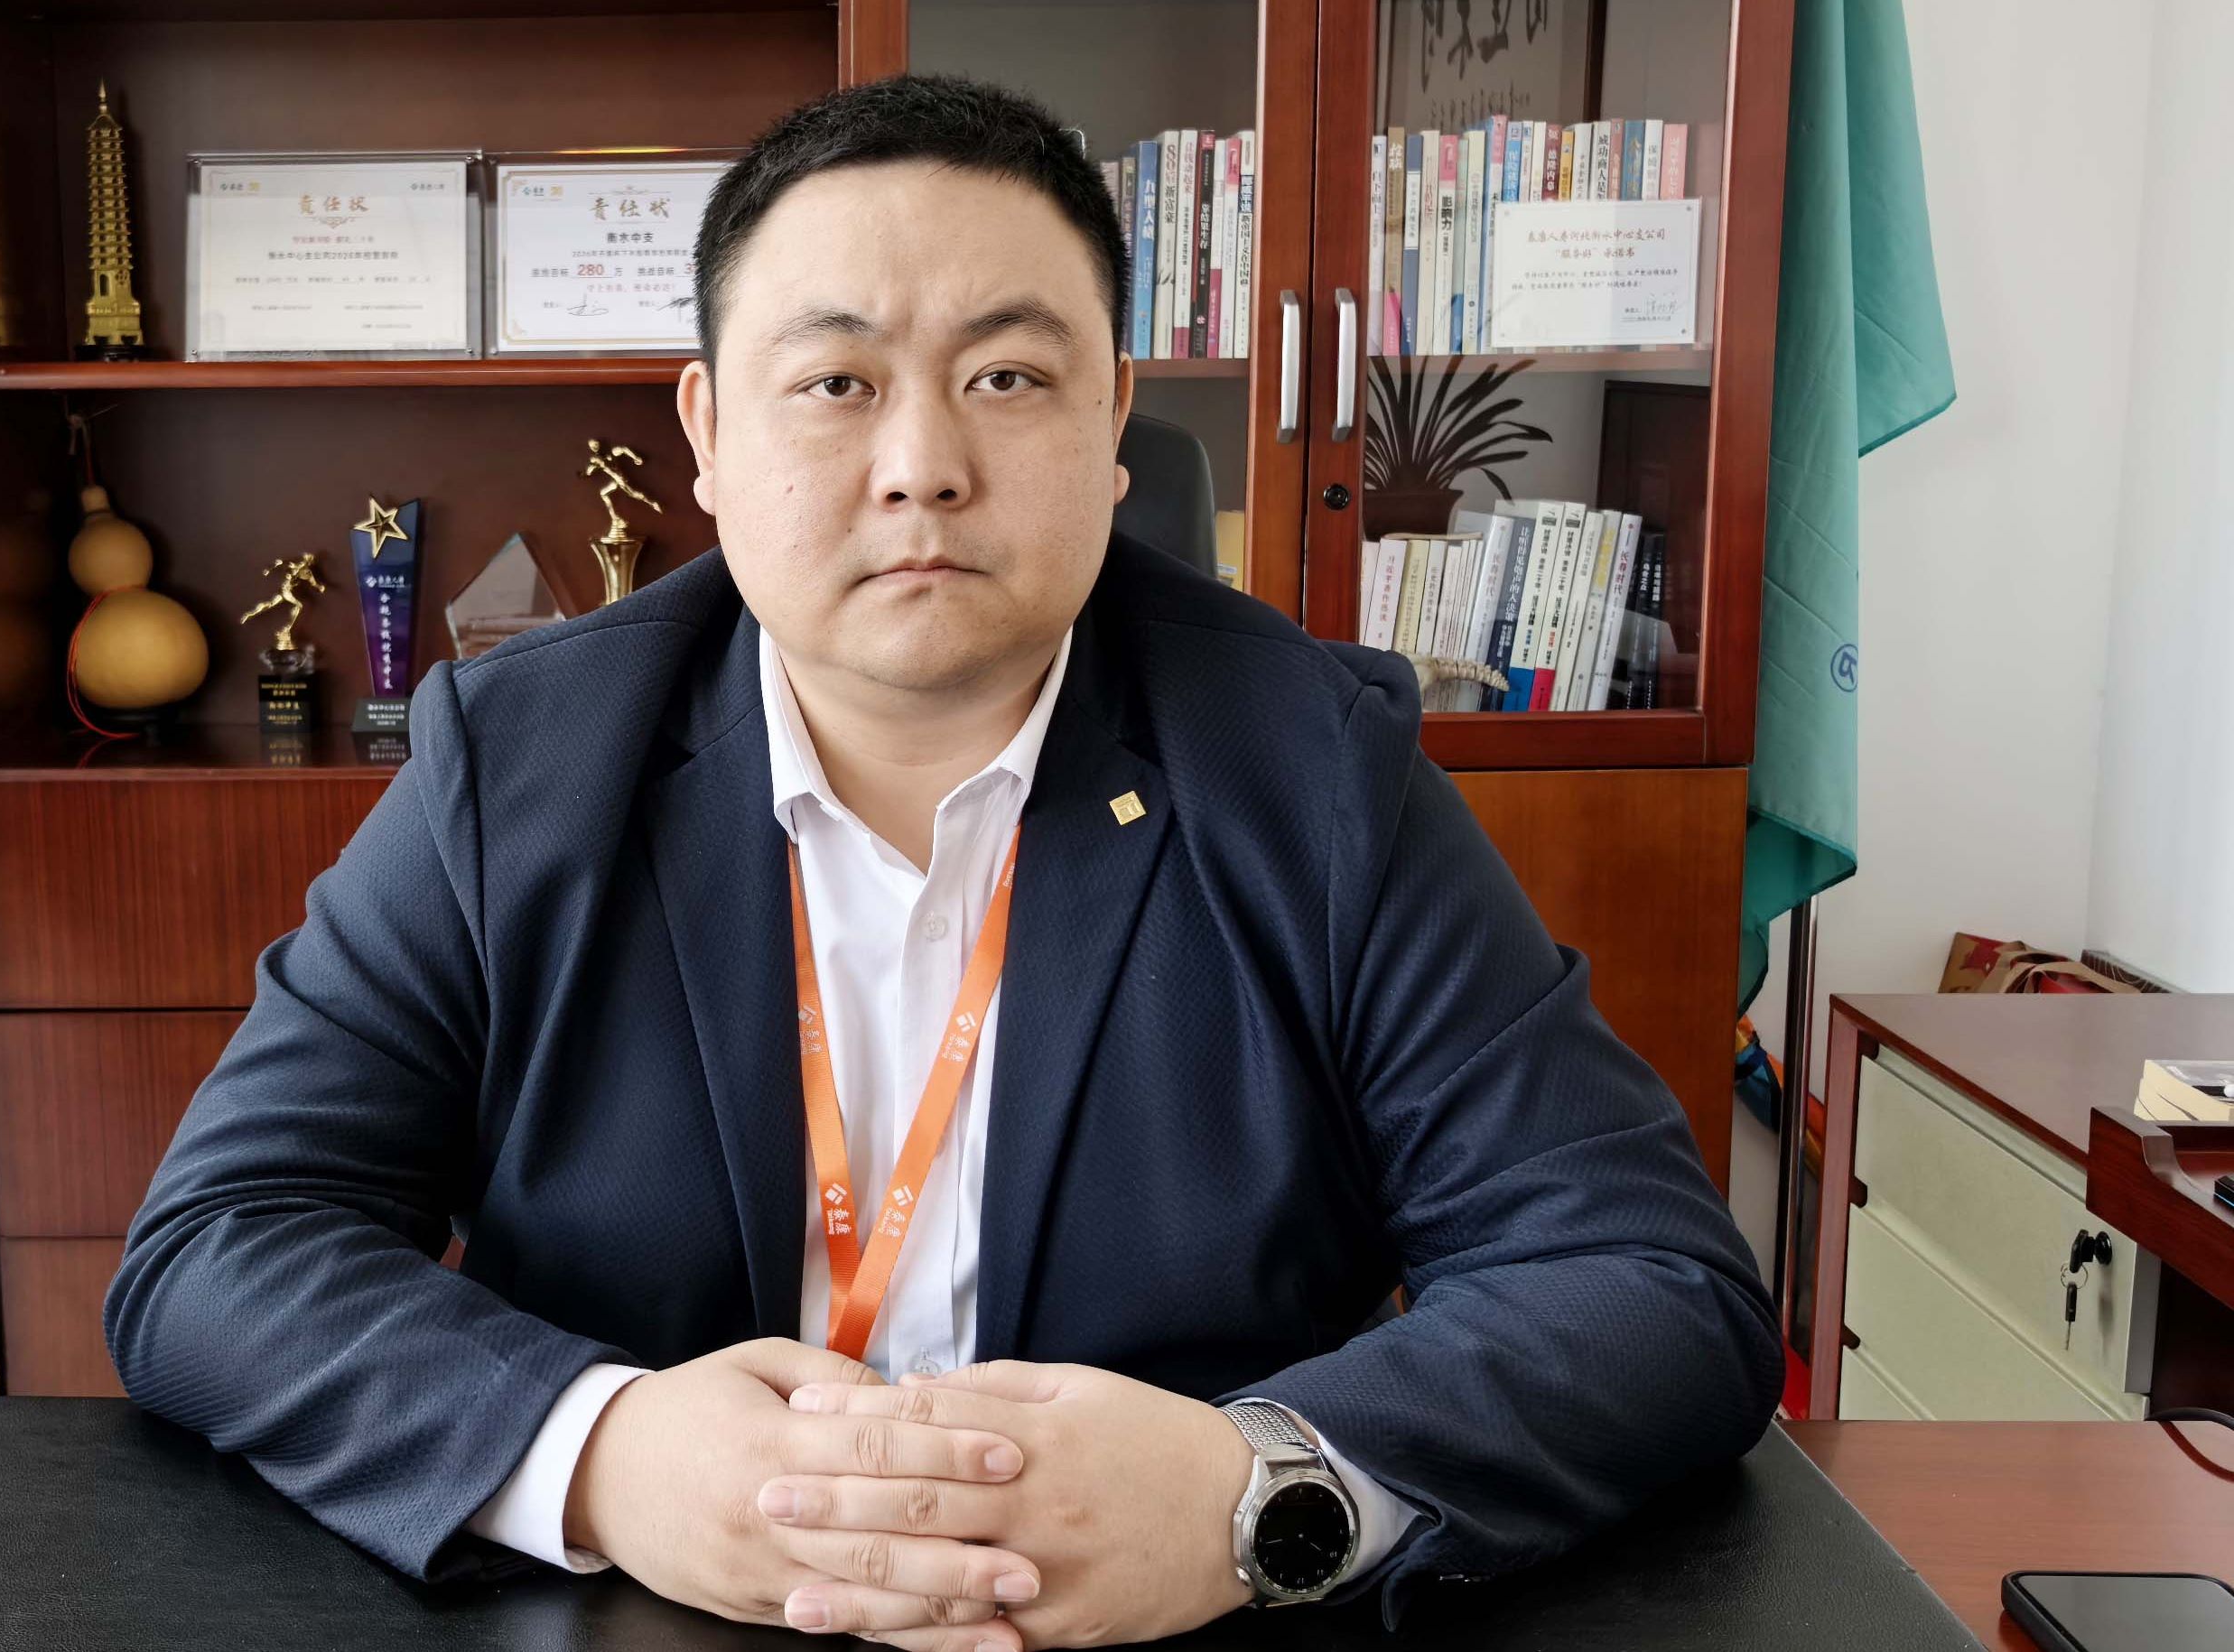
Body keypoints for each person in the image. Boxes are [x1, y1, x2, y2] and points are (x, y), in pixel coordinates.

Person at [105, 71, 1780, 1652]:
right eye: (836, 382)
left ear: (1116, 419)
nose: (923, 466)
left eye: (1009, 376)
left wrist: (1250, 1487)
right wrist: (601, 1451)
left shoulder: (1315, 769)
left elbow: (1651, 1284)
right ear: (707, 430)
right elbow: (224, 1241)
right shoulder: (518, 763)